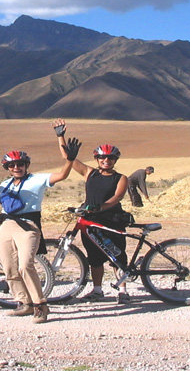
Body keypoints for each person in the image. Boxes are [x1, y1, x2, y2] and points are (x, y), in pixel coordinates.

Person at [0, 141, 76, 323]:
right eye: (12, 165)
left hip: (28, 226)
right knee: (9, 267)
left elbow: (62, 175)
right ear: (7, 168)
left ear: (26, 165)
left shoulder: (37, 179)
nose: (16, 167)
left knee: (25, 265)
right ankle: (23, 303)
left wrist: (70, 160)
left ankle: (40, 305)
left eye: (20, 164)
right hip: (6, 225)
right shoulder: (5, 184)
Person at [53, 119, 132, 304]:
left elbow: (117, 198)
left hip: (112, 220)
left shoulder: (121, 178)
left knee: (117, 256)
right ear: (96, 159)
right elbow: (69, 159)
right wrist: (60, 136)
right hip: (90, 222)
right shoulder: (90, 173)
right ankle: (97, 290)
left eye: (110, 158)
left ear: (115, 160)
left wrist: (100, 207)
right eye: (102, 158)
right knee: (94, 258)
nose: (106, 161)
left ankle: (122, 291)